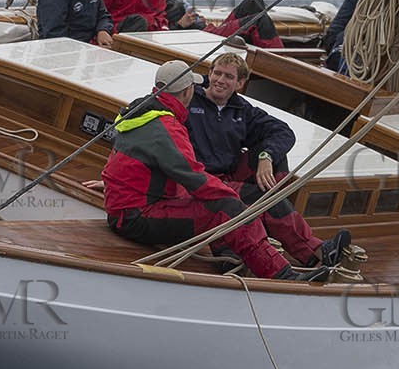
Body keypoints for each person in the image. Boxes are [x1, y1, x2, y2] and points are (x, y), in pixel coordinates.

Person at [101, 60, 332, 282]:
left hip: (127, 209)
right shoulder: (166, 127)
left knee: (224, 203)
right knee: (226, 209)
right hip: (137, 217)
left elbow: (134, 167)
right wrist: (233, 200)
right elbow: (194, 178)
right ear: (186, 92)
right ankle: (283, 276)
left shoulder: (142, 112)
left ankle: (238, 256)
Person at [185, 53, 351, 269]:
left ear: (240, 83)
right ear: (209, 73)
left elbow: (283, 132)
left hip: (228, 175)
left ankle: (269, 226)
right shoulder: (190, 99)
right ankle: (313, 251)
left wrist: (266, 156)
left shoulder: (240, 109)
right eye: (217, 73)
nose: (220, 80)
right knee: (264, 198)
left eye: (228, 76)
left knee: (275, 157)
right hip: (201, 179)